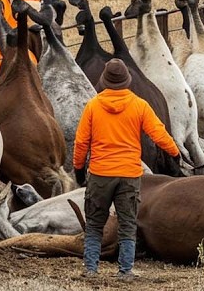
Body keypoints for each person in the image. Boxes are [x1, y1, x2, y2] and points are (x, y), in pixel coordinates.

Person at [74, 59, 181, 279]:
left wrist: (78, 168)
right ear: (126, 81)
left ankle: (91, 269)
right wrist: (174, 152)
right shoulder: (139, 105)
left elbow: (81, 142)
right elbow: (158, 133)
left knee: (95, 223)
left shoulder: (93, 106)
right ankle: (125, 271)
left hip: (100, 174)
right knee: (127, 223)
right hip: (129, 175)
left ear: (104, 81)